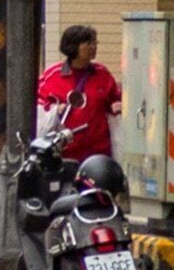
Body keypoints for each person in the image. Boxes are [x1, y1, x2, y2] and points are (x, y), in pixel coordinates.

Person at [39, 23, 123, 165]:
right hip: (64, 151)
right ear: (73, 46)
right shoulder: (52, 76)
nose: (94, 47)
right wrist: (55, 109)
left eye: (95, 43)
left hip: (99, 151)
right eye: (88, 43)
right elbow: (38, 105)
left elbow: (114, 99)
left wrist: (117, 106)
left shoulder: (102, 74)